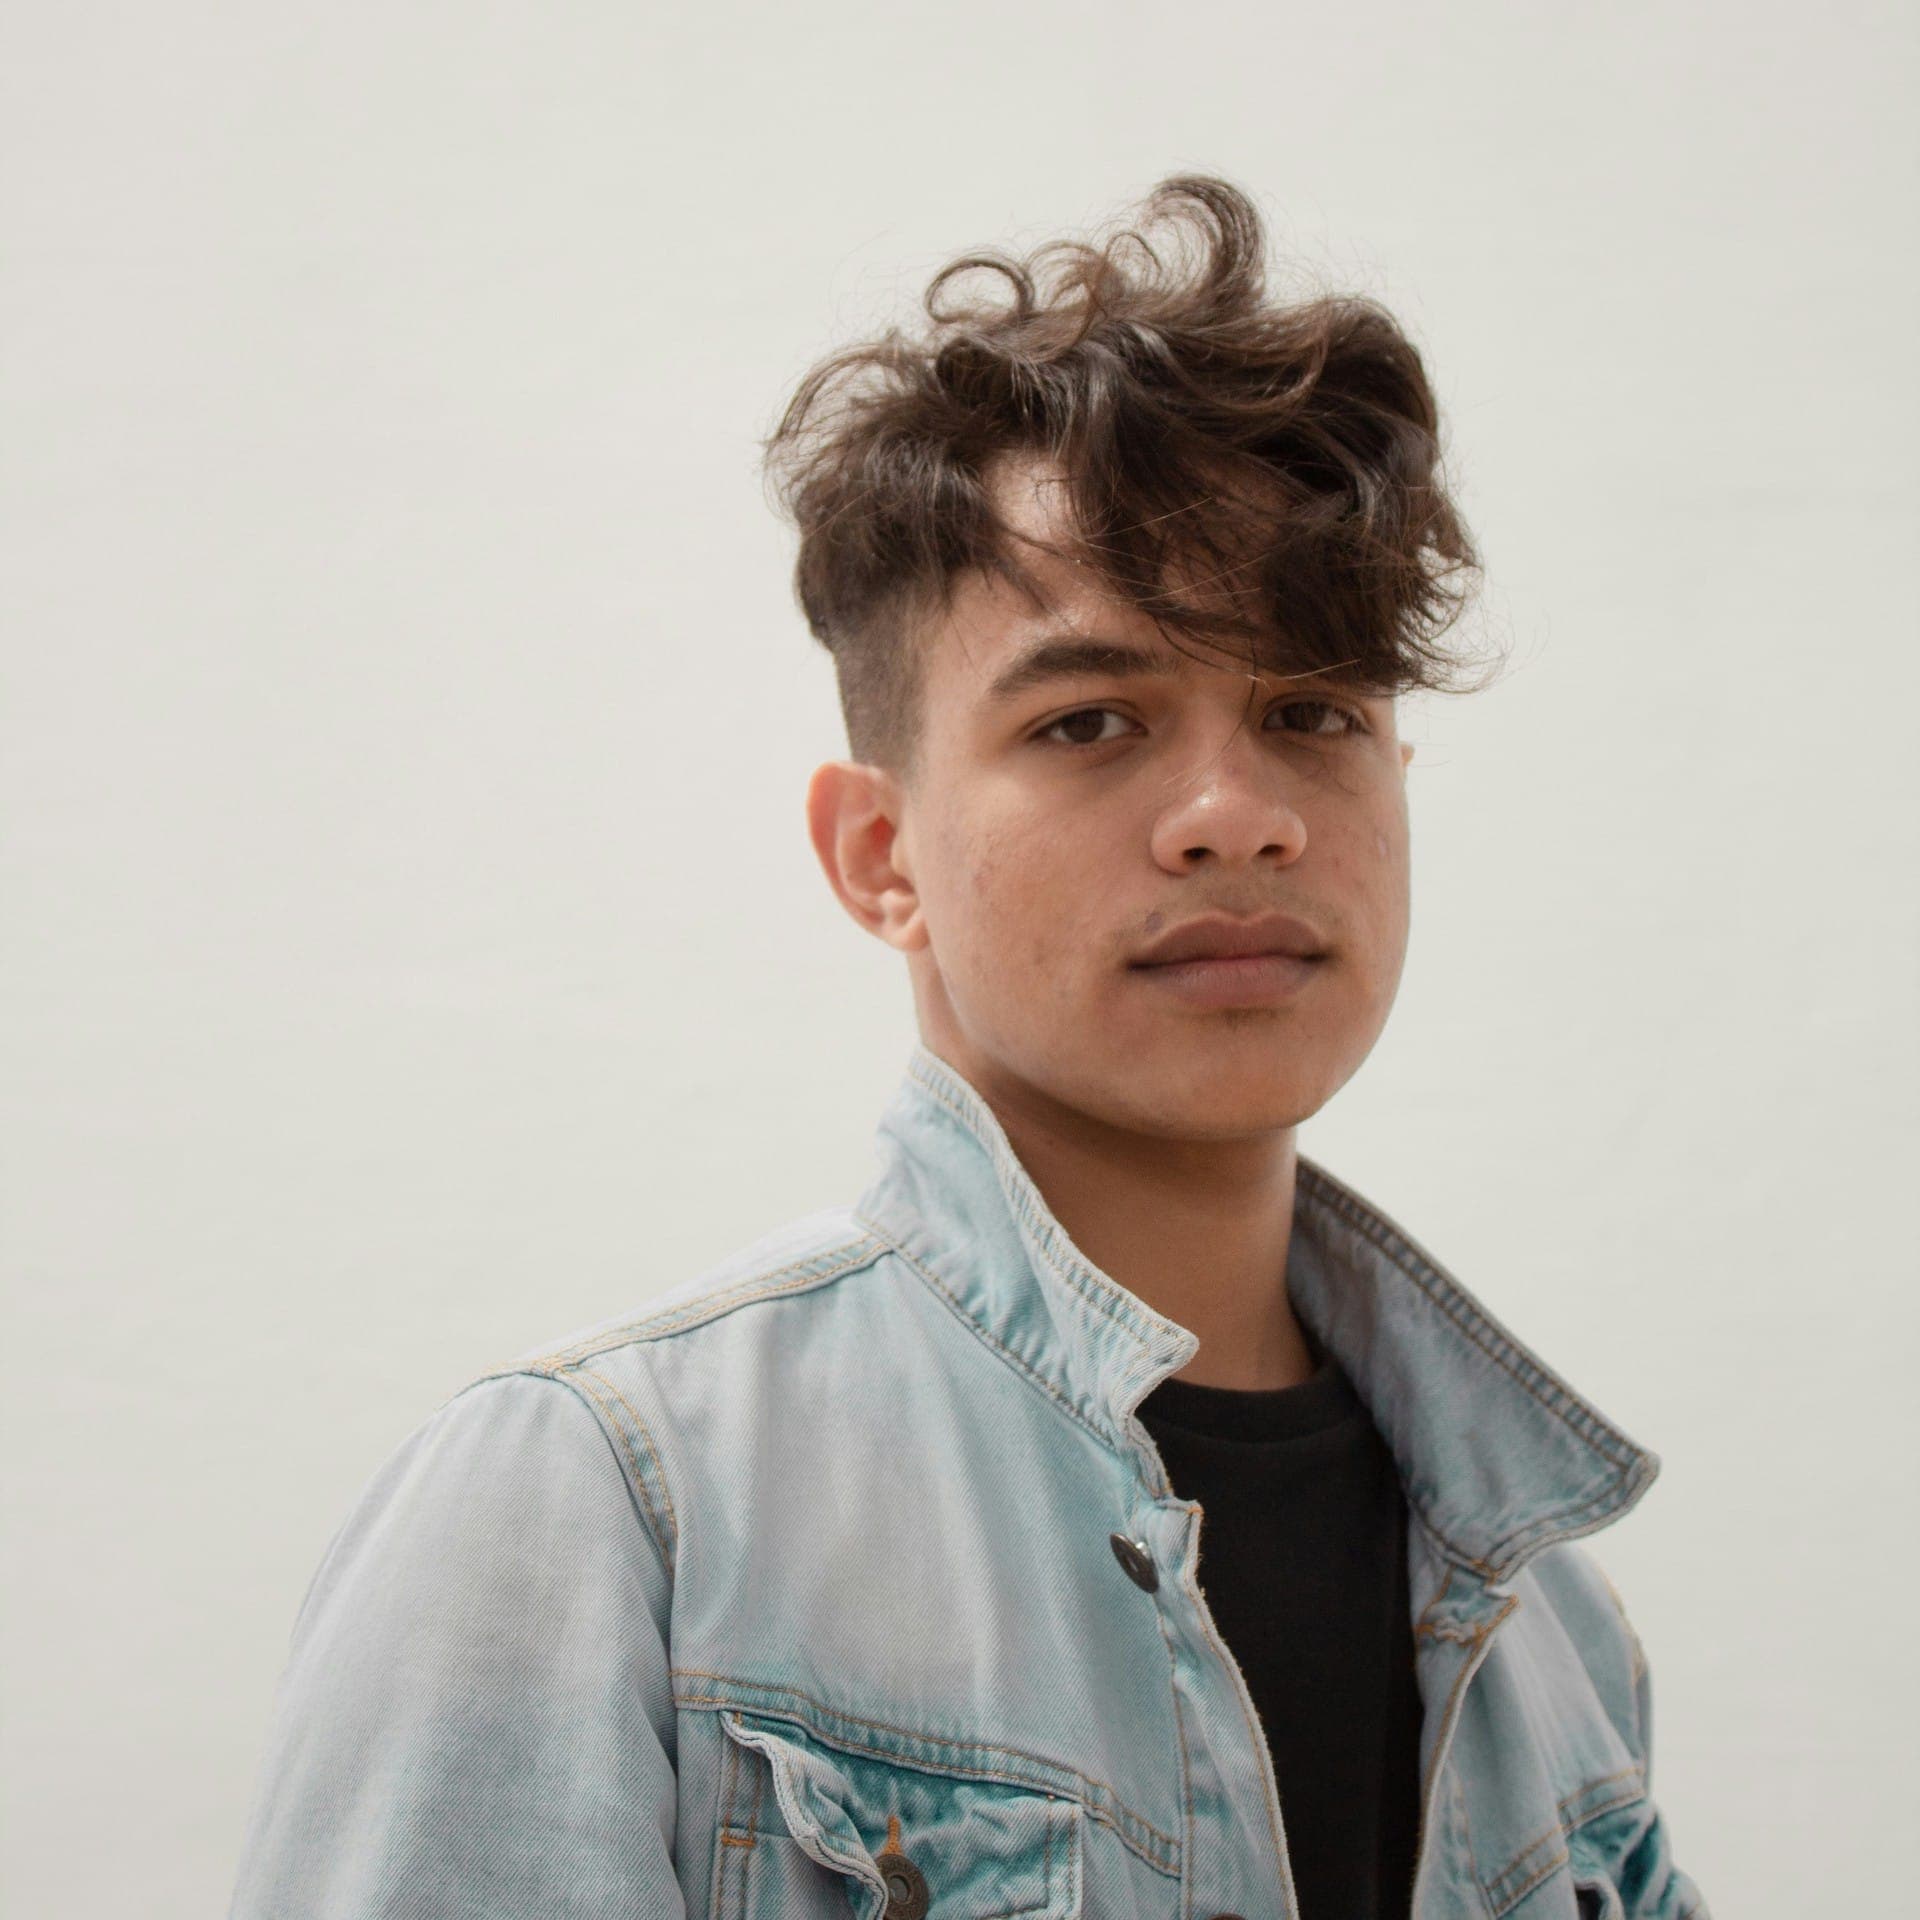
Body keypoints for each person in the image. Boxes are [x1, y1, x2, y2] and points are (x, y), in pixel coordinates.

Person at [226, 176, 1710, 1919]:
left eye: (1313, 711)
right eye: (1093, 721)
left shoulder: (1547, 1628)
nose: (1238, 816)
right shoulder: (610, 1506)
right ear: (880, 854)